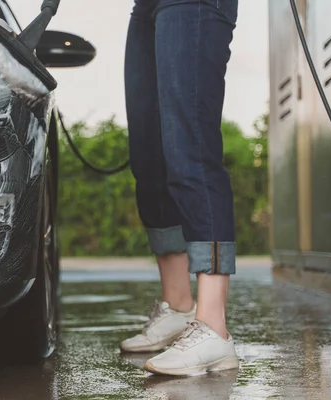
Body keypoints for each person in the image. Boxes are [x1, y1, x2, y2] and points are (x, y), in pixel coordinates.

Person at [119, 0, 240, 376]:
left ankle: (212, 326)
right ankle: (179, 306)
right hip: (148, 6)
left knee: (191, 146)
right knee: (150, 155)